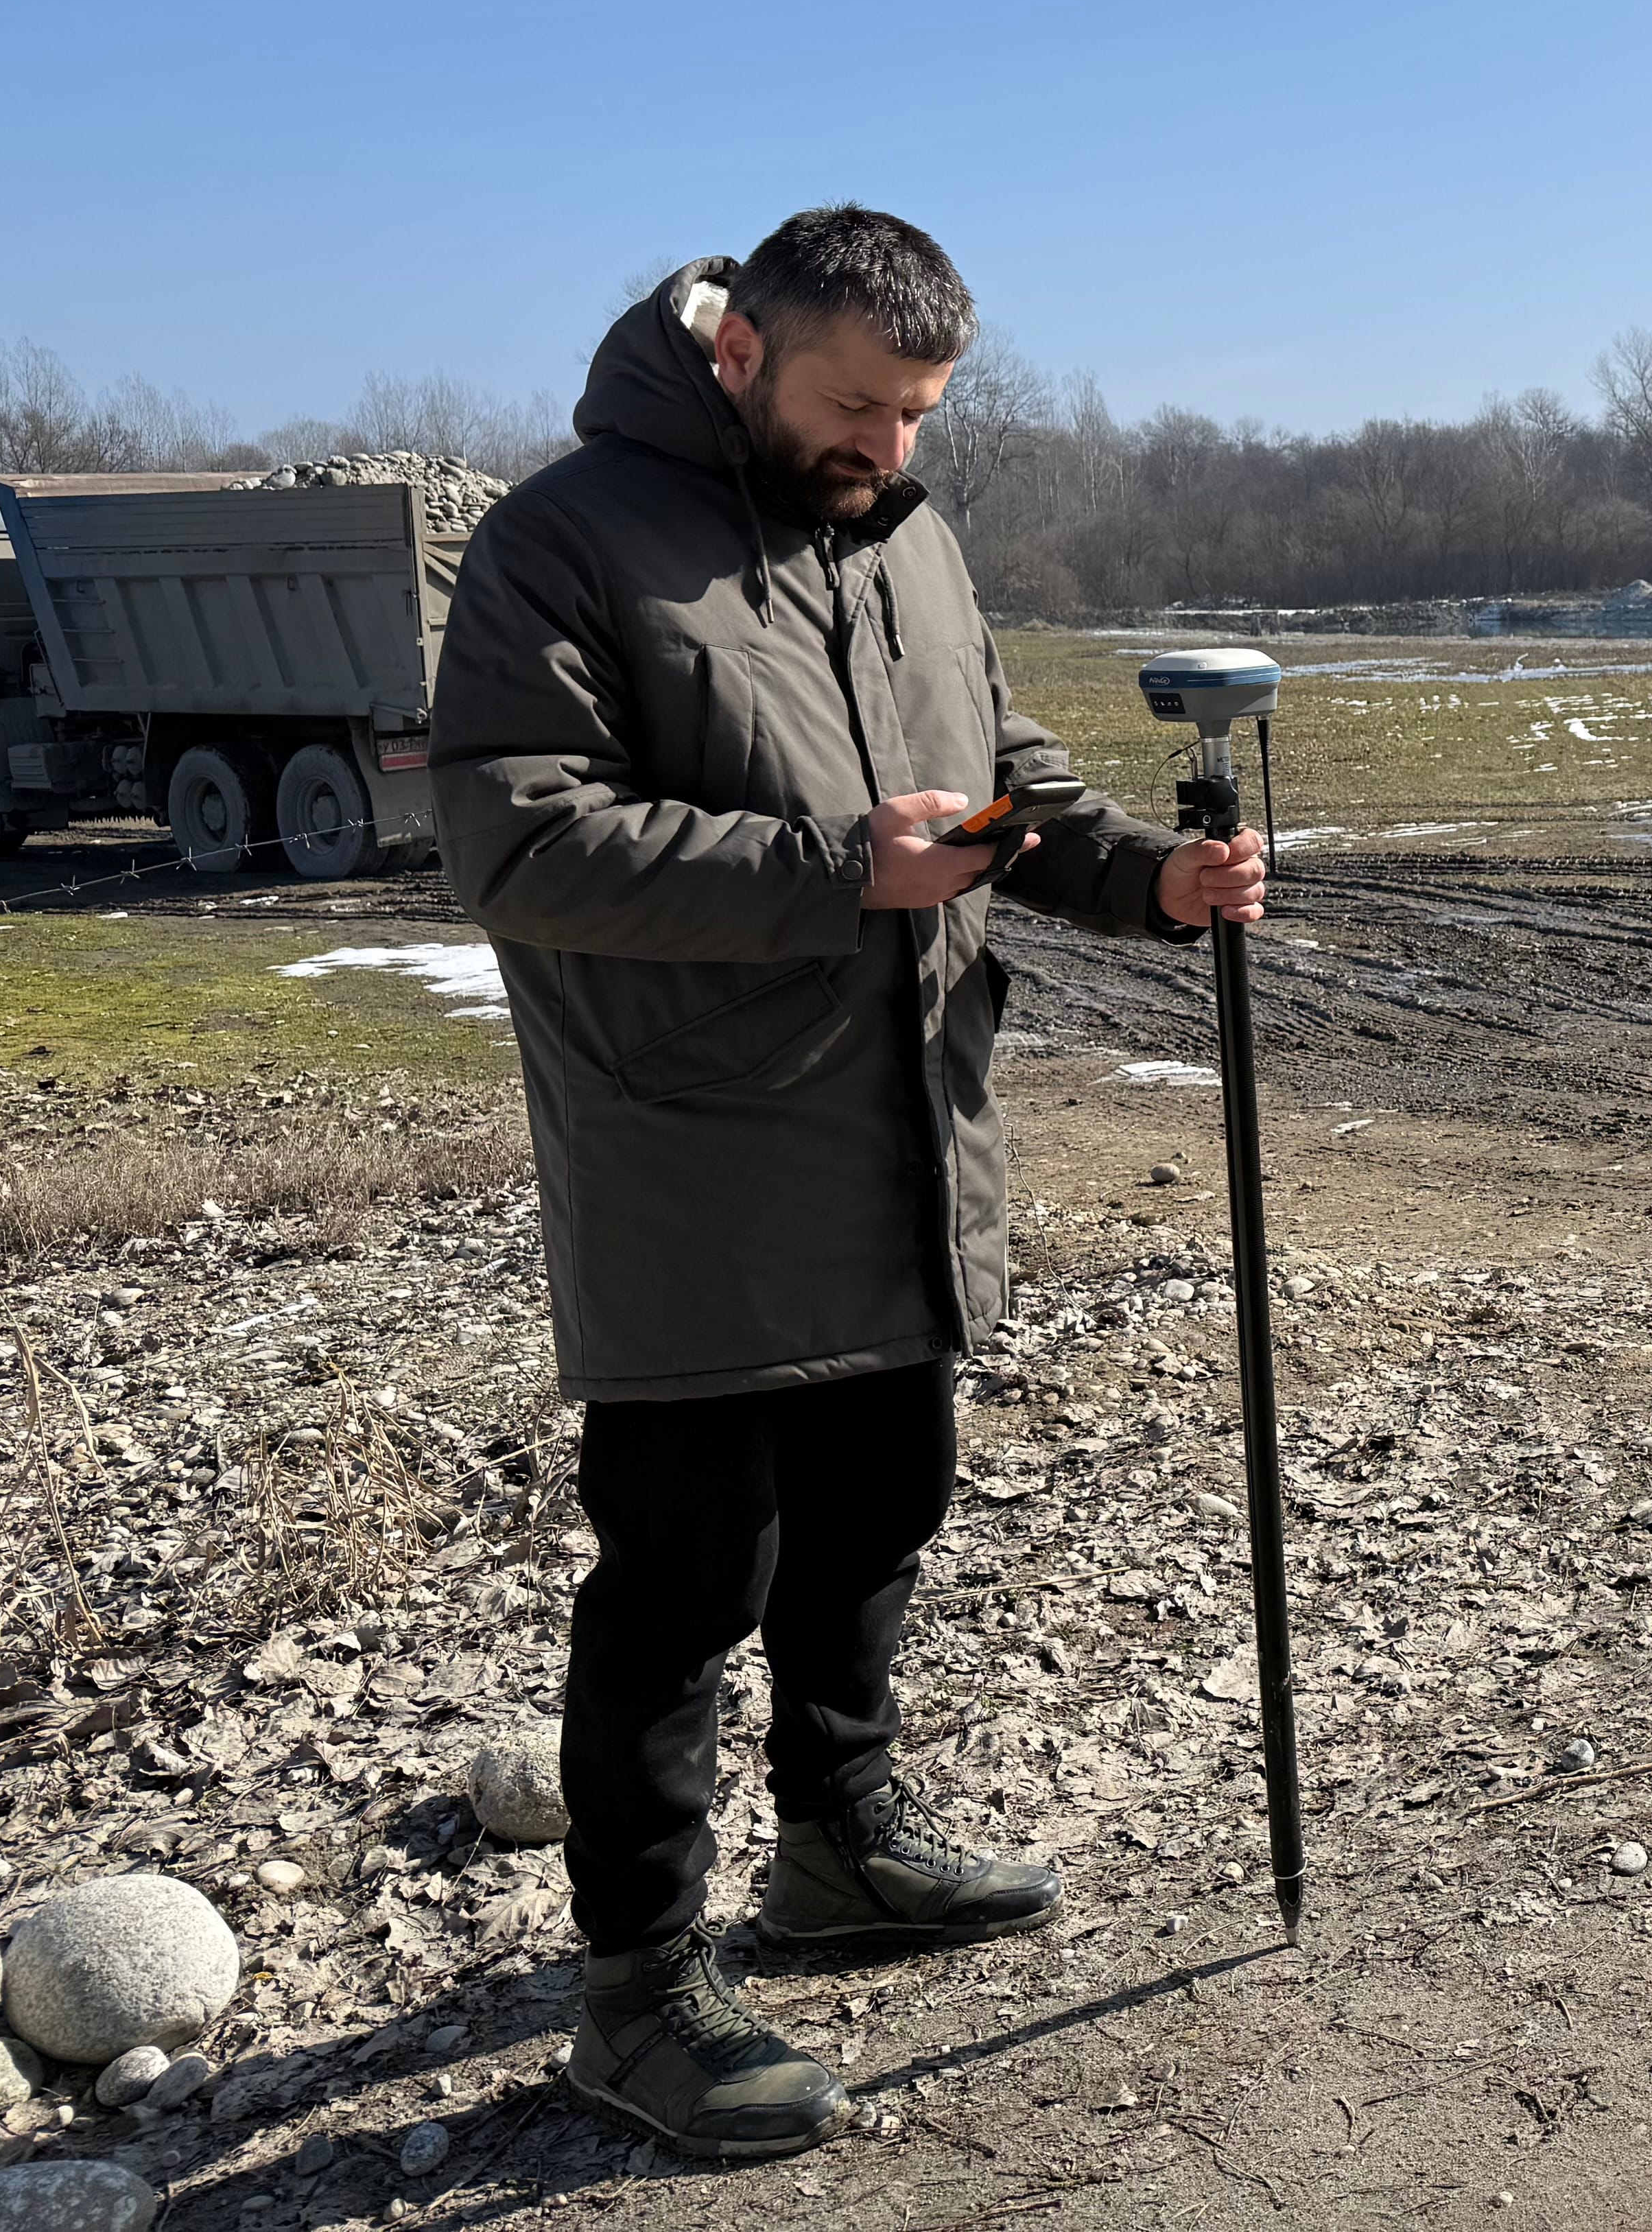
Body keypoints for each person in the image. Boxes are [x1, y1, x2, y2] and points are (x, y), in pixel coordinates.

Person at [434, 207, 1266, 2161]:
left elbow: (994, 782)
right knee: (684, 1576)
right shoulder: (564, 540)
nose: (889, 449)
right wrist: (835, 872)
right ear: (739, 350)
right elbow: (518, 843)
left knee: (884, 1498)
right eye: (857, 406)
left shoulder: (903, 540)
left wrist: (1142, 877)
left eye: (919, 416)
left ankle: (838, 1844)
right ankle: (635, 1990)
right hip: (692, 1163)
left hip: (907, 1127)